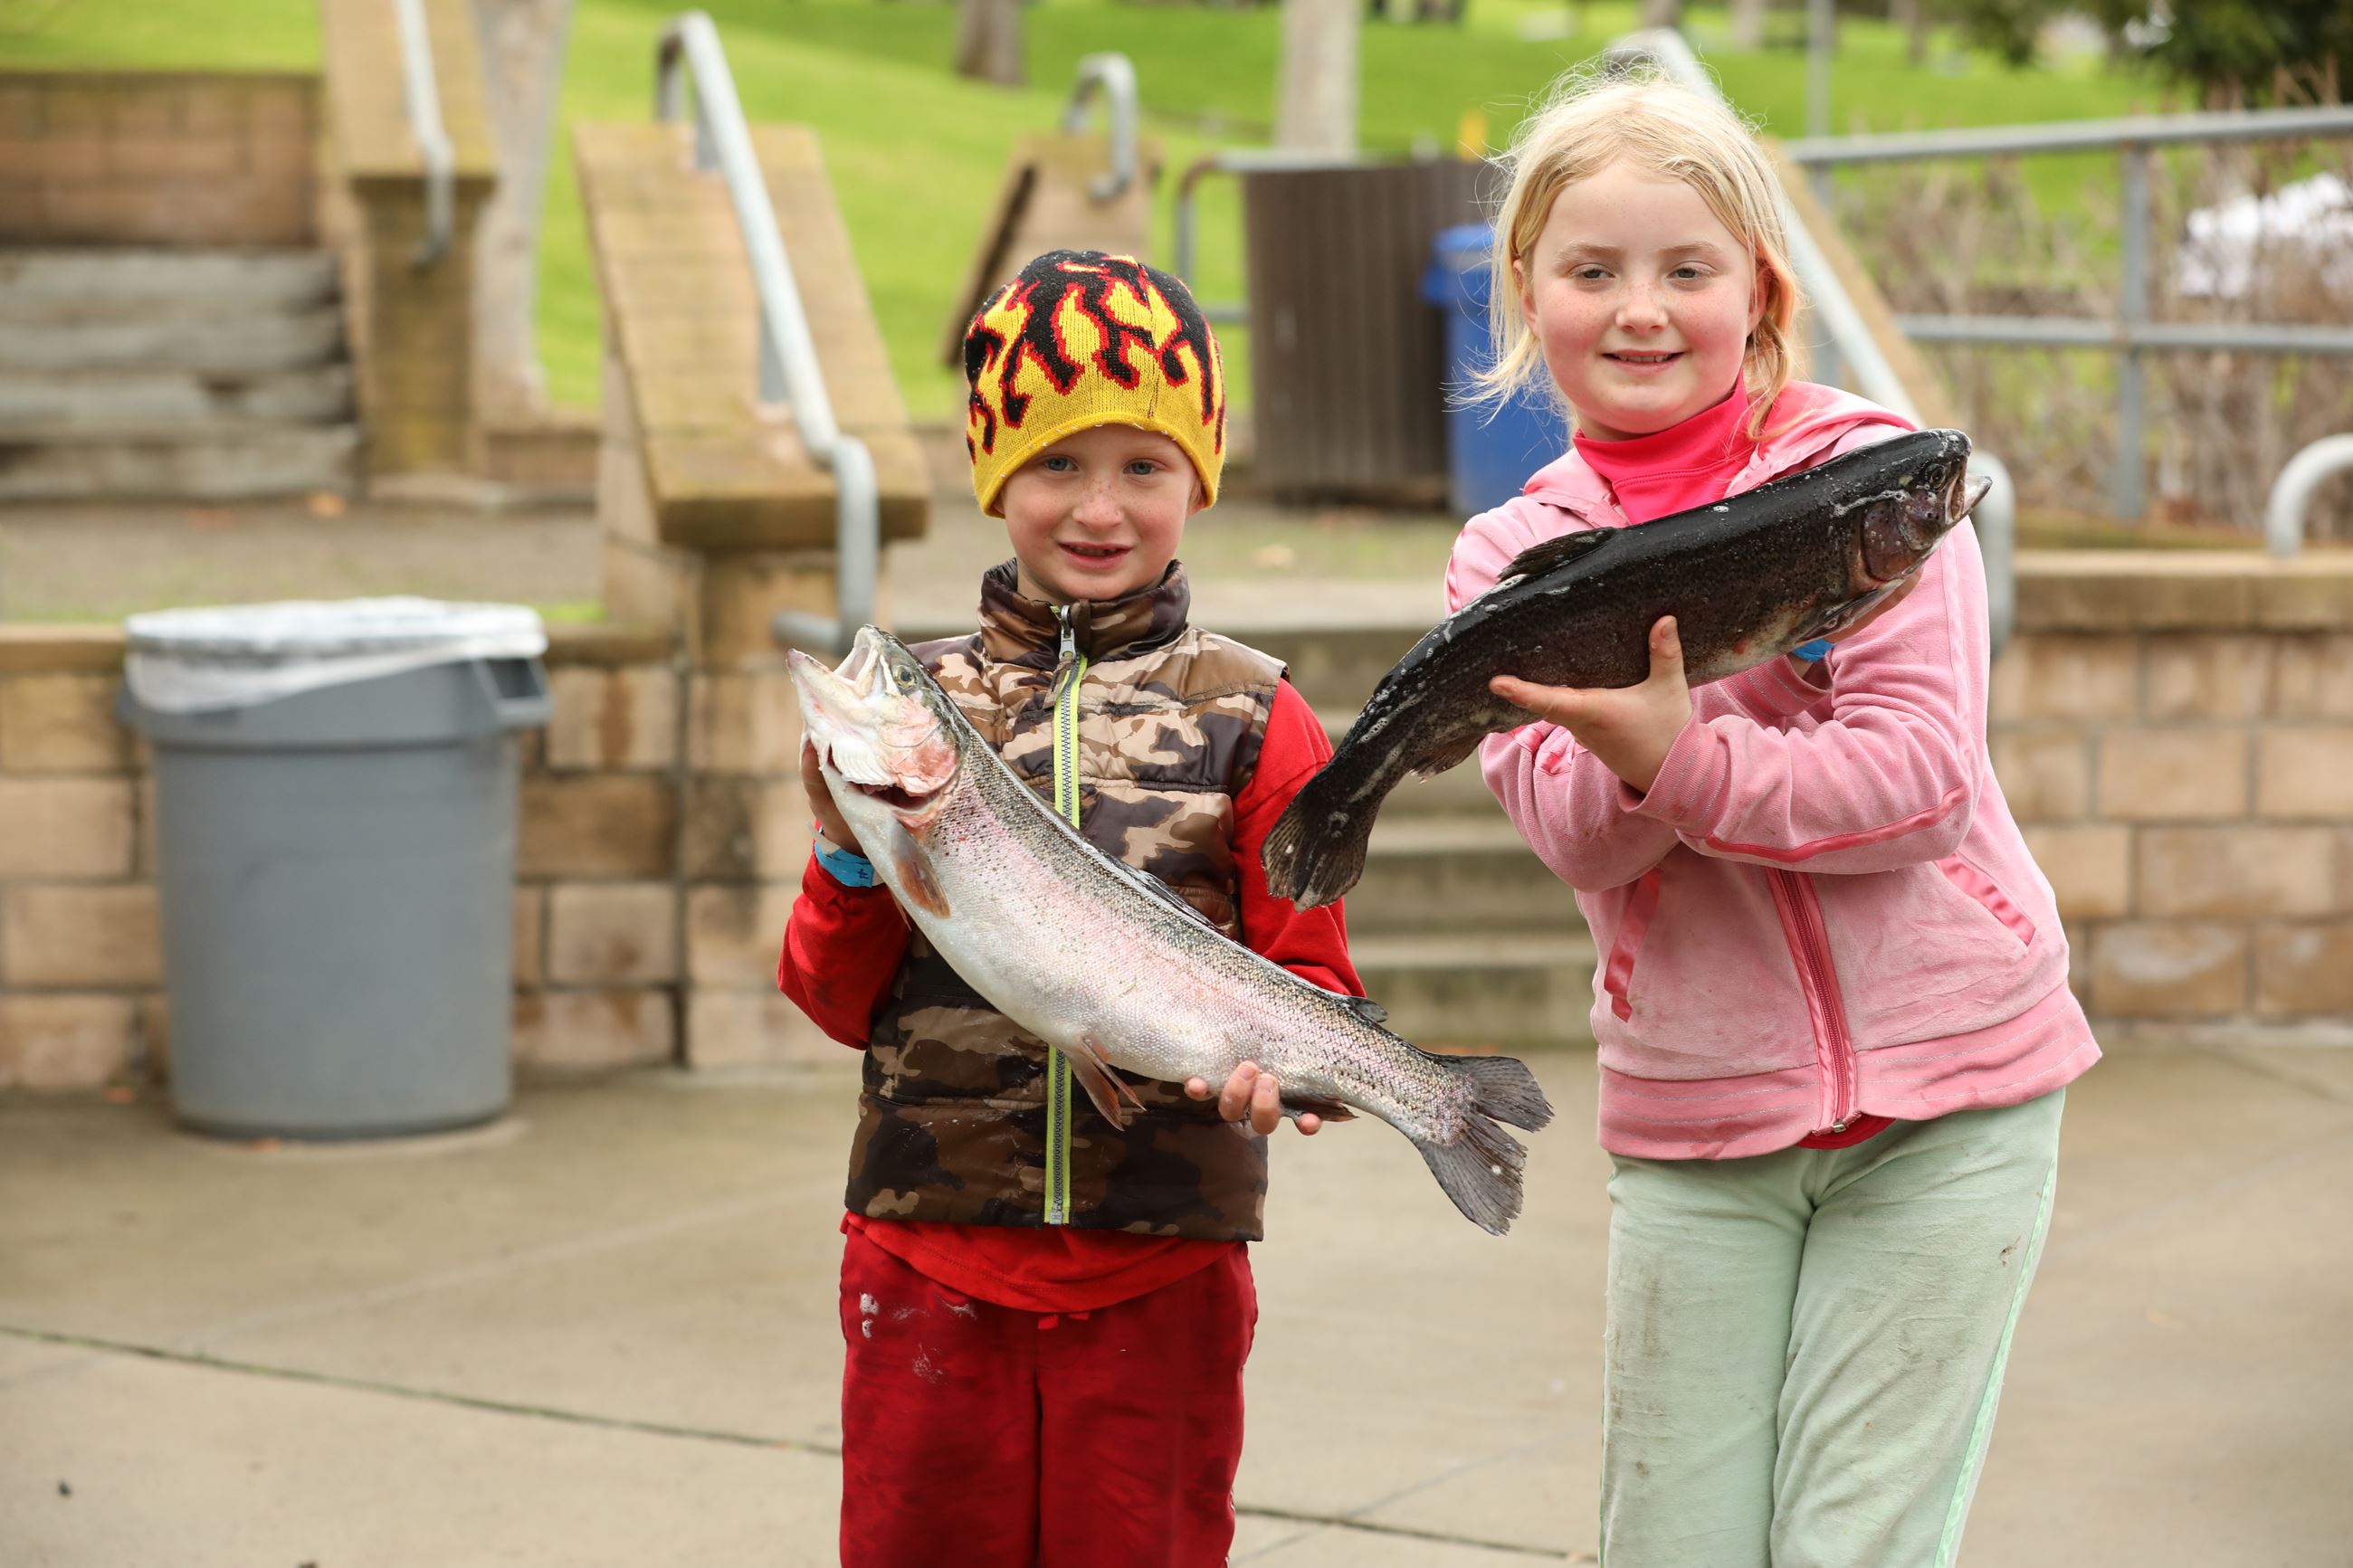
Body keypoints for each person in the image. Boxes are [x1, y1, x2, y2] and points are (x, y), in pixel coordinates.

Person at [1443, 71, 2101, 1566]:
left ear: (1761, 292)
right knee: (1672, 1540)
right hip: (1701, 1113)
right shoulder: (1507, 555)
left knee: (1852, 1544)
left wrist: (1683, 761)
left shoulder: (1873, 487)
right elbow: (1577, 835)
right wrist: (1640, 771)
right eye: (1592, 271)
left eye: (1688, 269)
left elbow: (1916, 779)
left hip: (1955, 1097)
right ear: (1528, 296)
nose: (1641, 310)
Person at [777, 250, 1361, 1568]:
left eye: (1144, 465)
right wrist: (850, 852)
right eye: (1057, 464)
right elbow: (830, 998)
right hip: (926, 1250)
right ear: (995, 476)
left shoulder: (1259, 718)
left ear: (1198, 480)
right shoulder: (925, 708)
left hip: (1164, 1266)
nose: (1100, 508)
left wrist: (1296, 1072)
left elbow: (1312, 976)